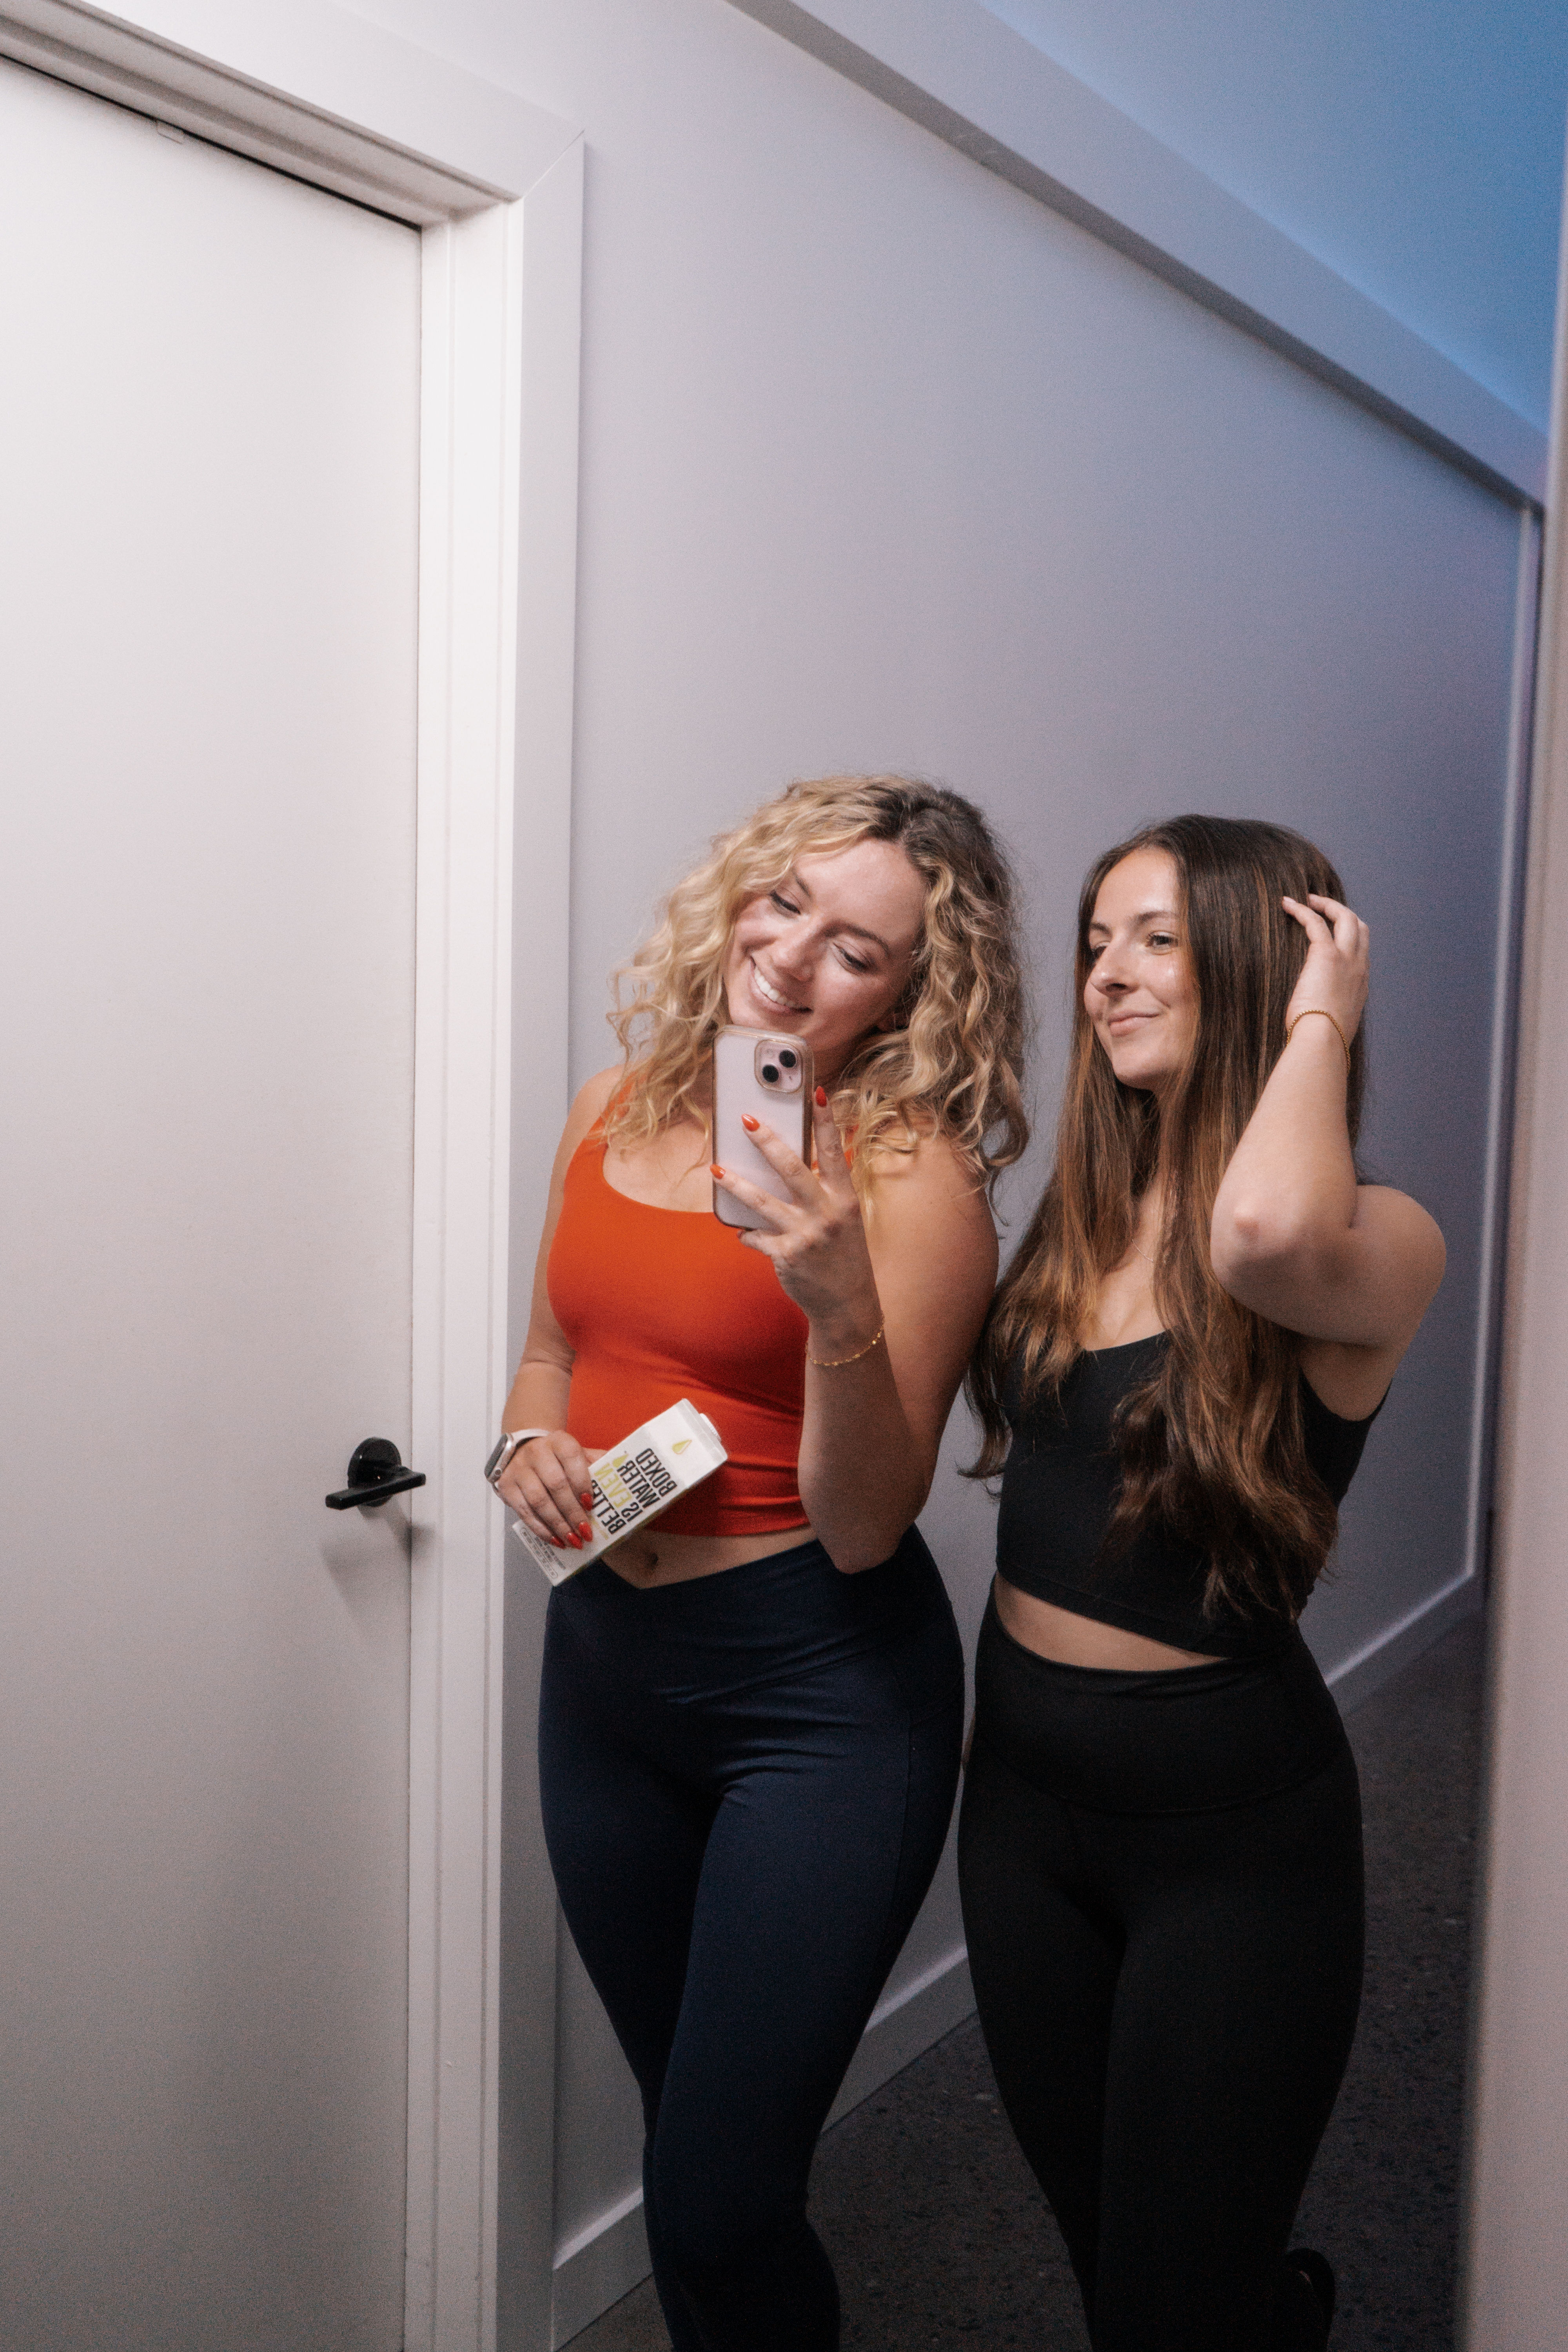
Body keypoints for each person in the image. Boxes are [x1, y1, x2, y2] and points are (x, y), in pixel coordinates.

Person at [492, 774, 1027, 2352]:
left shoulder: (909, 1180)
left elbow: (869, 1524)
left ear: (911, 995)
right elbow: (544, 1353)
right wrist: (526, 1444)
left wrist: (840, 1303)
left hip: (815, 1698)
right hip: (601, 1682)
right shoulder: (612, 1106)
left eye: (856, 950)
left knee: (724, 2197)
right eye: (784, 903)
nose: (793, 960)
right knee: (685, 2157)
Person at [958, 815, 1445, 2352]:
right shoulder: (1085, 1213)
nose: (1105, 975)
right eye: (1095, 941)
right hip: (1023, 1811)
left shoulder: (1376, 1240)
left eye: (1154, 937)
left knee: (1171, 2310)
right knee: (1119, 2269)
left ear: (1260, 952)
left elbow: (1264, 1228)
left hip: (1228, 1845)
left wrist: (1319, 1015)